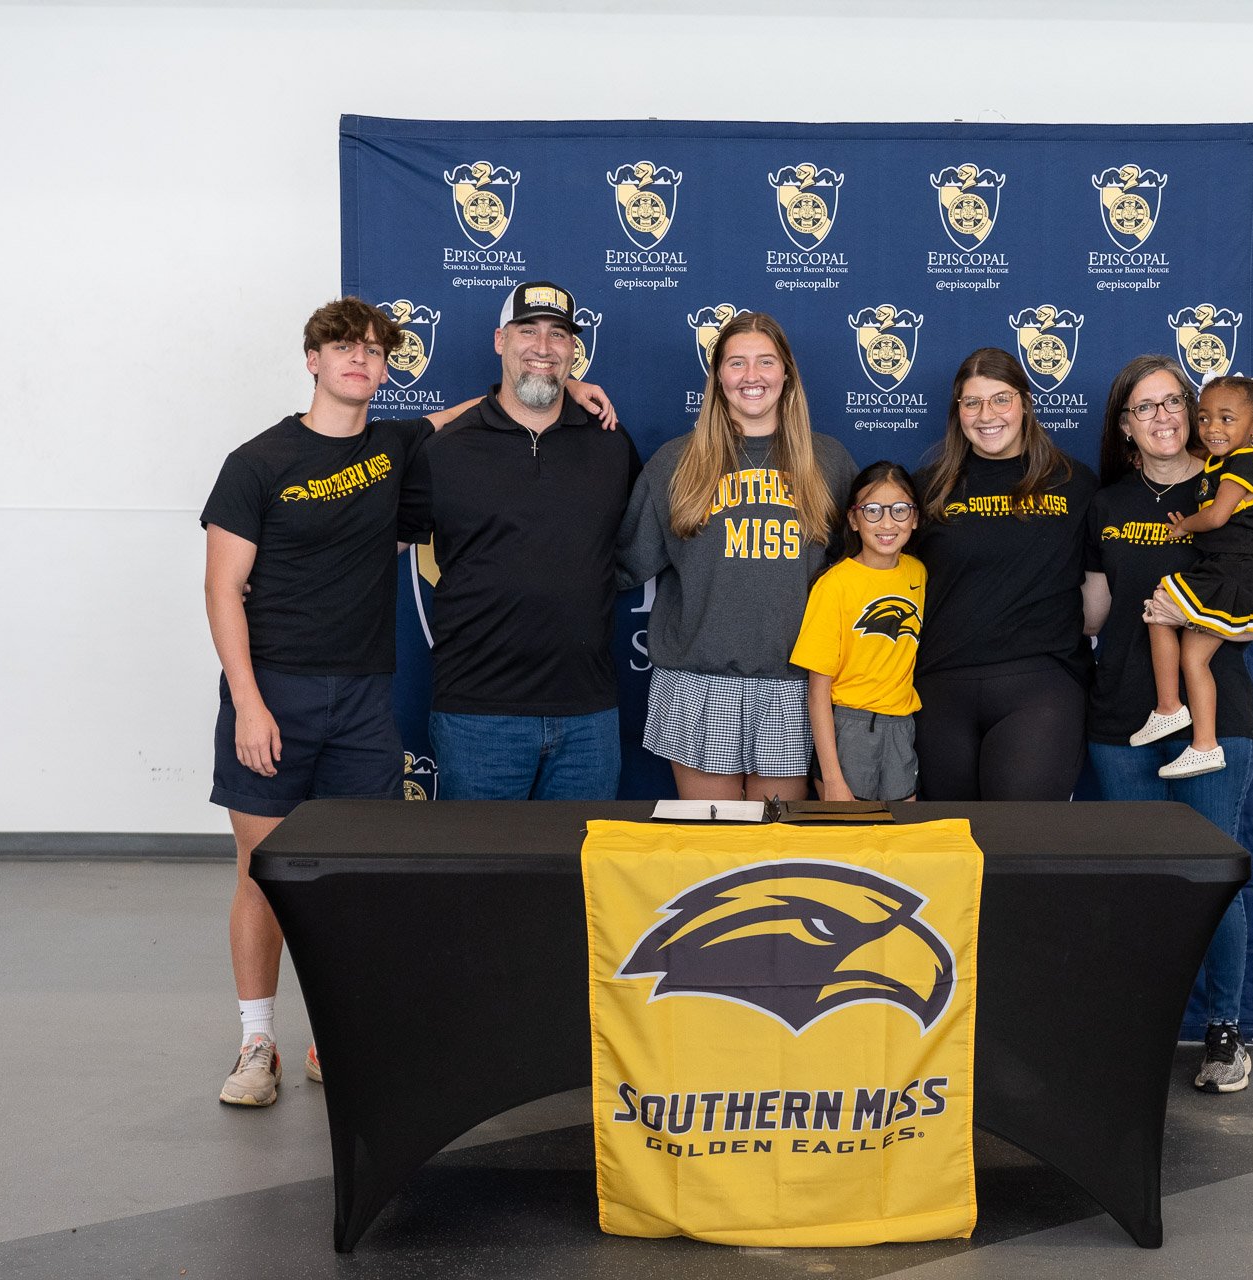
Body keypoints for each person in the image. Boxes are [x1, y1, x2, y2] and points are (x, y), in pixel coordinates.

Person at [202, 295, 615, 1106]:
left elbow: (473, 410)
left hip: (363, 698)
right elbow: (223, 591)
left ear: (386, 370)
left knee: (355, 880)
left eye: (374, 352)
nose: (359, 361)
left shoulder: (396, 446)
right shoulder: (257, 461)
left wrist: (577, 392)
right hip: (274, 692)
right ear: (312, 360)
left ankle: (335, 1035)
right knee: (262, 872)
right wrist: (248, 702)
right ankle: (257, 1043)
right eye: (342, 348)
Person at [1081, 355, 1253, 1094]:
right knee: (1139, 882)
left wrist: (1188, 614)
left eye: (1173, 401)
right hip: (1121, 721)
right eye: (1145, 408)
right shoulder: (1106, 504)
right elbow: (1094, 615)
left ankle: (1223, 1029)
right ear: (1126, 426)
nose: (1165, 417)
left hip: (1218, 718)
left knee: (1213, 880)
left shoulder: (1236, 492)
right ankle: (1136, 1028)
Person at [398, 281, 641, 800]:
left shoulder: (610, 443)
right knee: (481, 877)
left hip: (588, 715)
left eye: (558, 334)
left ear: (574, 350)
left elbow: (641, 543)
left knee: (578, 876)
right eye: (526, 330)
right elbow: (379, 544)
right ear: (499, 340)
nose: (543, 346)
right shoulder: (446, 449)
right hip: (477, 714)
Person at [617, 311, 856, 802]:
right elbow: (621, 564)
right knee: (715, 849)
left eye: (766, 362)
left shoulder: (828, 462)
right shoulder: (676, 462)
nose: (753, 376)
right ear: (718, 377)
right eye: (737, 363)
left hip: (793, 683)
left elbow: (860, 576)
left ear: (786, 373)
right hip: (698, 681)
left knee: (776, 851)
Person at [908, 348, 1097, 800]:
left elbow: (1097, 596)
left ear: (1025, 403)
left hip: (1039, 685)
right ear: (958, 411)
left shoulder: (1074, 482)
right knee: (950, 845)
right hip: (940, 686)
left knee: (1020, 842)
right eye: (972, 402)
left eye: (1000, 399)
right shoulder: (928, 487)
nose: (986, 415)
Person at [1128, 375, 1253, 780]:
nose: (1213, 428)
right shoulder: (1218, 465)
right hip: (1225, 569)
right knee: (1189, 651)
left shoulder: (1247, 463)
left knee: (1164, 603)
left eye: (1227, 419)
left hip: (1235, 575)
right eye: (1205, 418)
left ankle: (1173, 712)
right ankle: (1199, 740)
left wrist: (1185, 528)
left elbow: (1216, 516)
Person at [789, 461, 926, 802]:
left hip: (901, 725)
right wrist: (832, 776)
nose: (887, 522)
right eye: (872, 510)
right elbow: (817, 691)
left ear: (915, 518)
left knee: (898, 842)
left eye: (899, 509)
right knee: (847, 842)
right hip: (848, 727)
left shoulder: (918, 573)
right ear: (853, 519)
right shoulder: (834, 585)